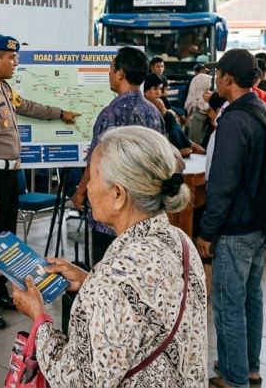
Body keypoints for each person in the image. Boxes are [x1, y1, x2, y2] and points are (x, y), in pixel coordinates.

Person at [11, 126, 207, 387]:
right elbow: (145, 309)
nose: (87, 188)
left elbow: (79, 381)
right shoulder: (180, 241)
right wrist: (89, 280)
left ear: (118, 194)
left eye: (92, 177)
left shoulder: (111, 281)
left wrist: (38, 317)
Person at [0, 33, 77, 329]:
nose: (16, 62)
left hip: (9, 176)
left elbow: (28, 106)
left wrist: (60, 114)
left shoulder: (2, 88)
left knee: (5, 239)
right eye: (12, 57)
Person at [196, 49, 266, 388]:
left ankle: (232, 377)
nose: (216, 80)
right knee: (251, 297)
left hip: (236, 225)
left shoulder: (233, 120)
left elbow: (223, 183)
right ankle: (249, 368)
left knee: (228, 303)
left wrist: (207, 230)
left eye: (218, 75)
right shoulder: (265, 109)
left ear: (228, 78)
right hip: (261, 221)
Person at [70, 46, 163, 266]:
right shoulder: (154, 113)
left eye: (111, 68)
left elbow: (95, 163)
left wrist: (80, 193)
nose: (109, 73)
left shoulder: (109, 114)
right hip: (144, 211)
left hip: (111, 214)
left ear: (120, 73)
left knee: (106, 271)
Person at [144, 73, 204, 158]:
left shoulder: (161, 103)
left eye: (160, 89)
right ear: (145, 92)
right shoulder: (143, 109)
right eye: (155, 89)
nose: (159, 93)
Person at [185, 72, 212, 145]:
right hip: (197, 122)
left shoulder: (207, 96)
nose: (209, 87)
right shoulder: (202, 97)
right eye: (207, 84)